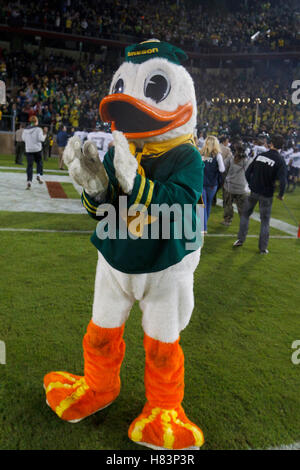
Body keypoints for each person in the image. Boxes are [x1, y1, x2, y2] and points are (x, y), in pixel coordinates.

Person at [233, 134, 287, 254]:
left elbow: (247, 173)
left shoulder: (260, 156)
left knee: (245, 215)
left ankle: (240, 240)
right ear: (281, 146)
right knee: (265, 221)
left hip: (254, 191)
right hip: (266, 195)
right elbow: (283, 181)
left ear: (271, 144)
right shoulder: (280, 161)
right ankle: (262, 248)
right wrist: (281, 194)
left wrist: (251, 184)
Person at [221, 141, 249, 226]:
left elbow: (223, 169)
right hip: (242, 187)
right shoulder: (248, 161)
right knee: (242, 207)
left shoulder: (231, 158)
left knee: (228, 204)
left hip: (229, 186)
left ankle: (227, 220)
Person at [201, 135, 225, 233]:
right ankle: (204, 227)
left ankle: (203, 227)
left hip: (201, 183)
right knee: (208, 204)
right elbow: (222, 169)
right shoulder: (217, 155)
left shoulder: (201, 153)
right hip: (212, 184)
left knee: (202, 205)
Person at [22, 115, 46, 189]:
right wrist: (45, 135)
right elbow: (41, 139)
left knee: (29, 166)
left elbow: (23, 139)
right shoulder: (38, 129)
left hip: (29, 149)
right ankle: (39, 175)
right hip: (37, 149)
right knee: (39, 162)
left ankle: (29, 181)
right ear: (36, 121)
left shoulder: (25, 130)